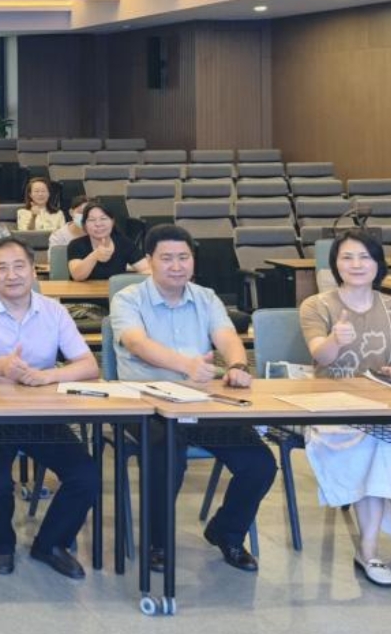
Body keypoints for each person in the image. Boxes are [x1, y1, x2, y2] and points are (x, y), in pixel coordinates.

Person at [111, 224, 276, 574]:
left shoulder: (205, 297)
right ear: (150, 261)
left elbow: (227, 336)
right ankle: (157, 542)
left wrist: (236, 365)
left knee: (259, 463)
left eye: (183, 257)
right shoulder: (128, 299)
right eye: (166, 258)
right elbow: (137, 344)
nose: (176, 266)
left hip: (199, 401)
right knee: (167, 457)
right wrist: (186, 365)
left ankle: (226, 532)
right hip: (144, 404)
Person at [300, 231, 391, 586]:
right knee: (380, 441)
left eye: (365, 257)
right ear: (335, 264)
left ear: (378, 264)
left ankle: (368, 550)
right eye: (347, 257)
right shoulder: (317, 305)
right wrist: (335, 339)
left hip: (385, 407)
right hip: (332, 411)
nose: (356, 264)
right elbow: (321, 357)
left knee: (378, 438)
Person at [0, 238, 101, 579]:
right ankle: (2, 543)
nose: (11, 275)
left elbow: (88, 365)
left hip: (41, 412)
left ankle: (50, 543)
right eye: (2, 268)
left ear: (33, 270)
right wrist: (2, 366)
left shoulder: (54, 311)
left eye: (19, 266)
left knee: (86, 475)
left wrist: (46, 376)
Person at [66, 202, 151, 281]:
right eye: (92, 220)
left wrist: (125, 281)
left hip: (116, 291)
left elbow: (148, 270)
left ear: (112, 222)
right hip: (82, 292)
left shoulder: (124, 243)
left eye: (103, 218)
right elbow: (77, 276)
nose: (98, 224)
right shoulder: (76, 245)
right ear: (84, 225)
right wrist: (94, 256)